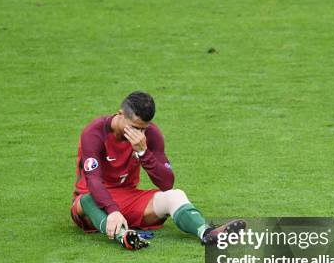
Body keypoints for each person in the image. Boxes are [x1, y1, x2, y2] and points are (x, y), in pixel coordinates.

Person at [70, 91, 246, 250]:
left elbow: (166, 183)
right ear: (120, 114)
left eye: (143, 128)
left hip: (128, 198)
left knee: (175, 195)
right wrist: (113, 210)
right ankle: (123, 235)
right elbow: (93, 181)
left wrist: (143, 152)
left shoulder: (150, 135)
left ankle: (207, 233)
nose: (139, 133)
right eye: (134, 127)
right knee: (87, 200)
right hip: (92, 203)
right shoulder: (94, 133)